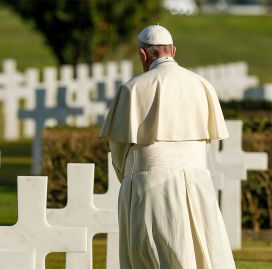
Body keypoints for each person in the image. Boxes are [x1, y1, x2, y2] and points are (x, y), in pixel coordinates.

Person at [99, 25, 236, 269]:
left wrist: (128, 181)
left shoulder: (132, 88)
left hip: (149, 185)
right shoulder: (202, 85)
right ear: (173, 50)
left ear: (143, 54)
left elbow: (119, 151)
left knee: (150, 255)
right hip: (197, 181)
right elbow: (207, 143)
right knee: (199, 252)